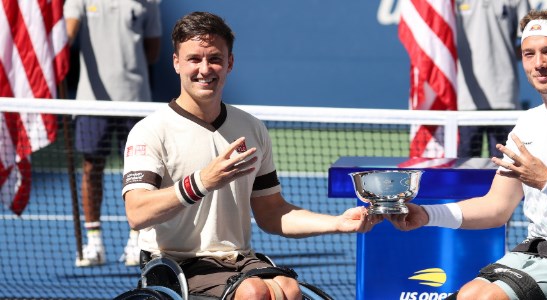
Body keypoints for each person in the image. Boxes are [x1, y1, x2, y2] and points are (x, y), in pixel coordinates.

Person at [121, 11, 379, 300]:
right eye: (194, 59)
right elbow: (137, 212)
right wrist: (202, 182)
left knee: (289, 289)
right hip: (174, 264)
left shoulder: (251, 127)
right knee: (254, 292)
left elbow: (272, 213)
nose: (205, 69)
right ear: (176, 62)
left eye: (215, 58)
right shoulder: (150, 131)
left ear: (229, 63)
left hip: (239, 259)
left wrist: (336, 223)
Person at [387, 10, 547, 300]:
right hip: (538, 249)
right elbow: (497, 206)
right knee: (467, 295)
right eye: (529, 54)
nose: (539, 64)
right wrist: (426, 215)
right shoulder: (527, 124)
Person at [64, 0, 162, 267]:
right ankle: (94, 243)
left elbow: (153, 50)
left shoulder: (149, 2)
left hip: (135, 101)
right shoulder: (79, 1)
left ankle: (137, 241)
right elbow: (67, 36)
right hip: (90, 101)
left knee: (140, 174)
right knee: (90, 168)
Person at [455, 0, 531, 158]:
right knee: (464, 170)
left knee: (505, 168)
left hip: (504, 97)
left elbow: (531, 39)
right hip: (466, 99)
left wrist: (506, 54)